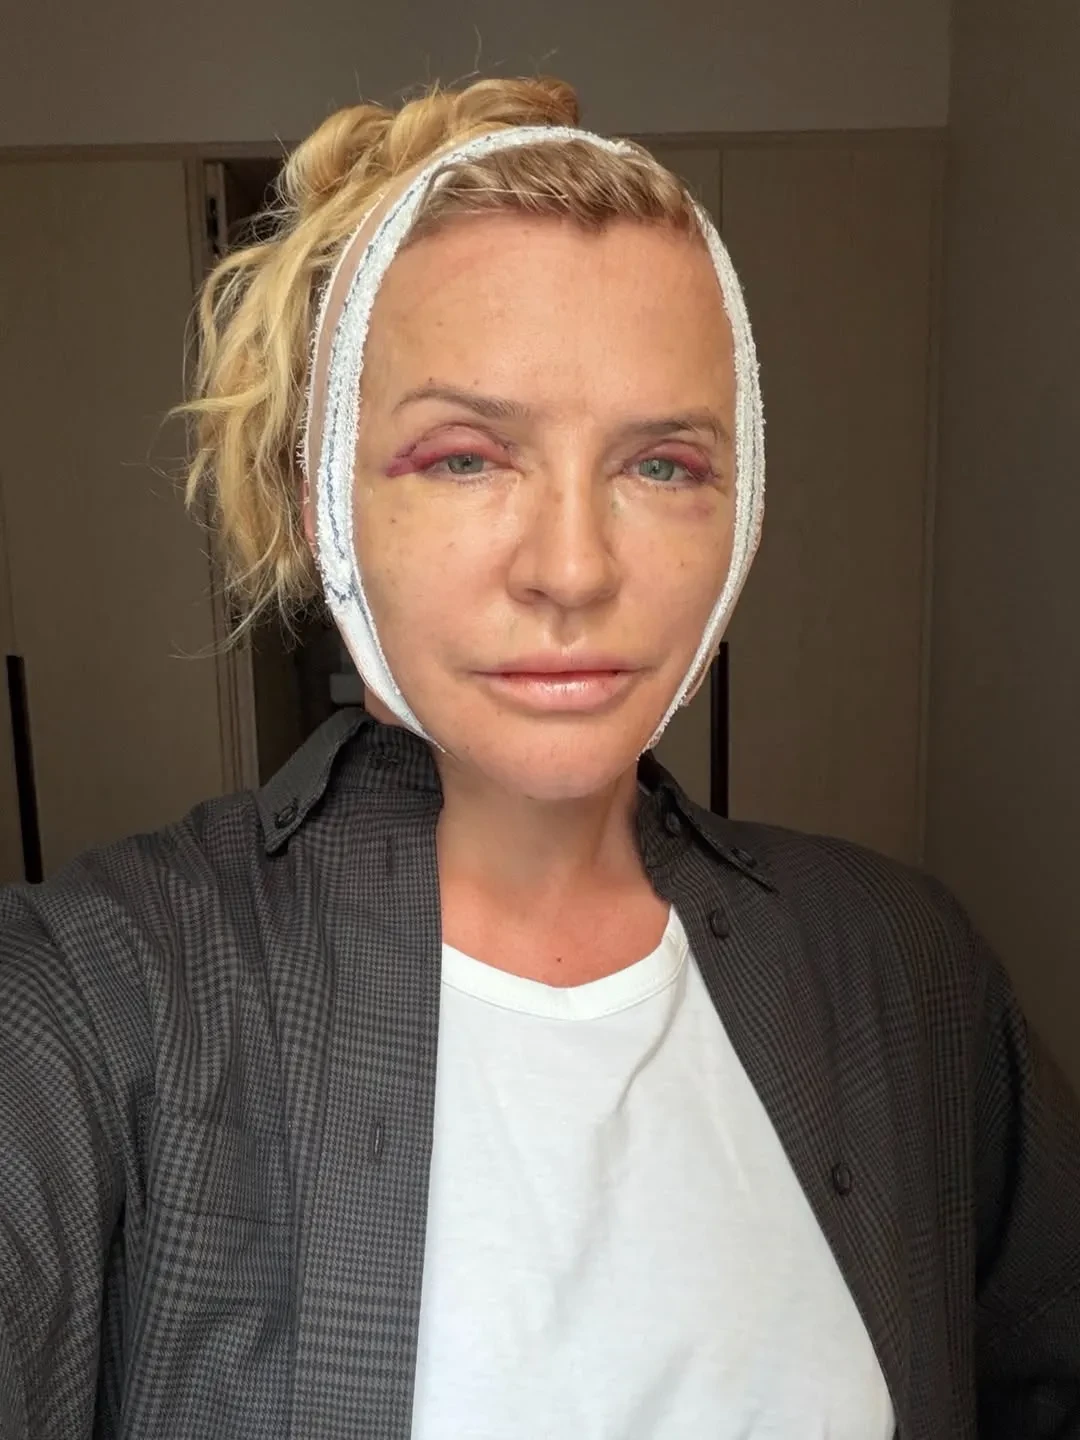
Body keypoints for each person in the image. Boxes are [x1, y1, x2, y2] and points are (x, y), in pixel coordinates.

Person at [1, 74, 1078, 1440]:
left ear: (743, 510)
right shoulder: (95, 1000)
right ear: (322, 503)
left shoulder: (903, 968)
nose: (573, 569)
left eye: (663, 465)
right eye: (465, 458)